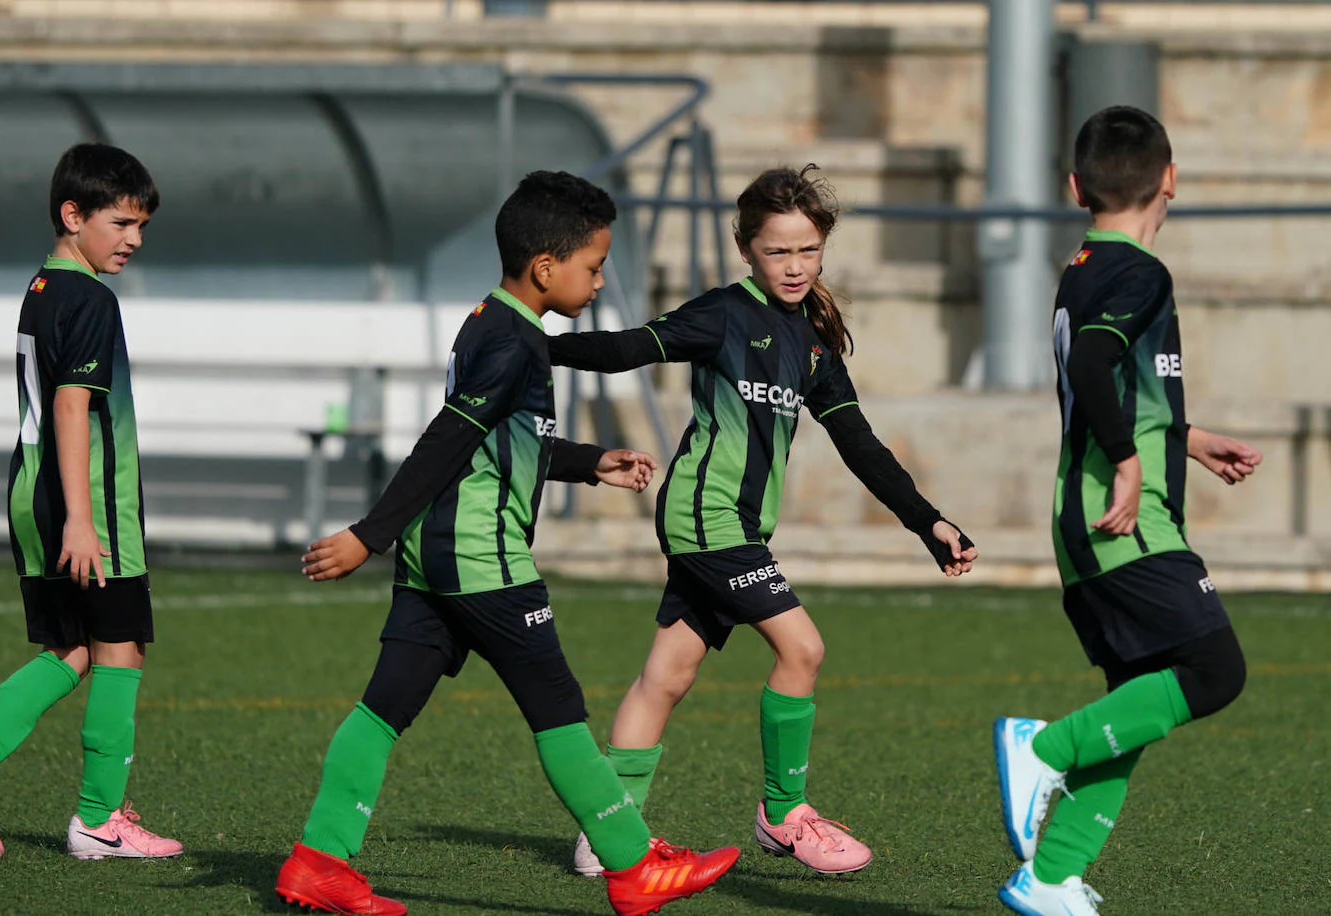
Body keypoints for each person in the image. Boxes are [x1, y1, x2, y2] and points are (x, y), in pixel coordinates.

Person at [274, 171, 740, 916]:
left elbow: (504, 445)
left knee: (384, 705)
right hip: (482, 558)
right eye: (592, 267)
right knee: (557, 705)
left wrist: (591, 462)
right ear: (546, 267)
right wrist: (369, 534)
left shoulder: (494, 326)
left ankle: (318, 861)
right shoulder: (515, 343)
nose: (597, 282)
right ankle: (631, 865)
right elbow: (451, 437)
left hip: (439, 557)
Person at [548, 164, 978, 878]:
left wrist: (927, 522)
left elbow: (860, 445)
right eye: (778, 251)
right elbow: (629, 350)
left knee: (668, 675)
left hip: (739, 527)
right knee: (802, 649)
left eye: (808, 250)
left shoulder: (811, 340)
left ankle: (606, 831)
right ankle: (783, 815)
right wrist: (537, 345)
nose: (795, 266)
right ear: (746, 248)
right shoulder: (722, 313)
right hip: (703, 517)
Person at [993, 106, 1262, 916]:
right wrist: (1132, 461)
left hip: (1088, 512)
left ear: (1075, 186)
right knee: (1215, 673)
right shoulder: (1142, 272)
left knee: (1137, 703)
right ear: (1171, 178)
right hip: (1121, 516)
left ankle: (1050, 877)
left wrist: (1187, 437)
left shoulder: (1083, 266)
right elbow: (1095, 356)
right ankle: (1040, 748)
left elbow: (1112, 383)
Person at [0, 143, 182, 862]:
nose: (133, 240)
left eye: (140, 226)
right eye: (120, 223)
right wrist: (85, 520)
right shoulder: (89, 298)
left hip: (33, 492)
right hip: (88, 506)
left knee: (73, 648)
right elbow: (72, 407)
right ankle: (99, 818)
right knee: (121, 648)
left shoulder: (44, 288)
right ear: (72, 214)